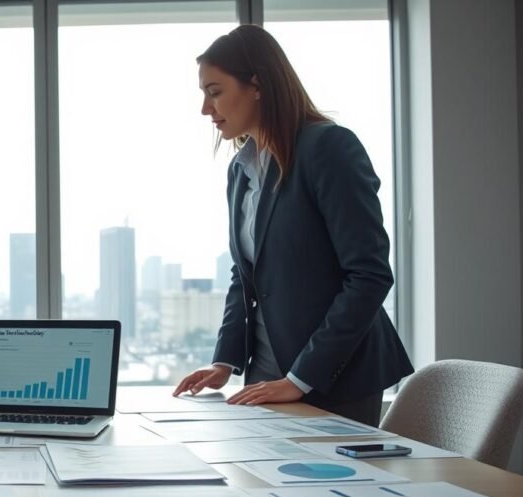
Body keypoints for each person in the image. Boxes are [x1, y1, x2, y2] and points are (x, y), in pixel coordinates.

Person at [173, 25, 413, 426]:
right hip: (267, 375)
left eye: (214, 92)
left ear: (257, 85)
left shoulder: (328, 148)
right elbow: (245, 275)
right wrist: (225, 361)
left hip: (334, 378)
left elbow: (369, 275)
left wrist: (301, 379)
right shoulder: (242, 169)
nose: (205, 108)